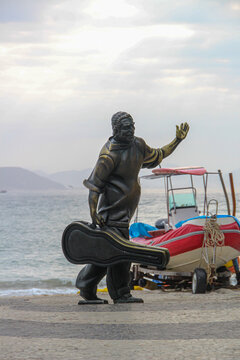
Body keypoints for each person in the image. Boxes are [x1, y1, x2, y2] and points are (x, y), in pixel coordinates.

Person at [76, 111, 189, 304]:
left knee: (109, 255)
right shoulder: (108, 155)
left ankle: (92, 288)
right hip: (110, 215)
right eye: (127, 127)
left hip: (125, 214)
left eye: (132, 126)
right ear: (116, 130)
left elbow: (159, 154)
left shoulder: (138, 145)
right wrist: (94, 214)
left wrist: (177, 140)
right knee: (115, 255)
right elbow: (94, 188)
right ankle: (114, 292)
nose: (131, 130)